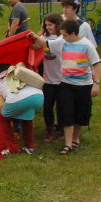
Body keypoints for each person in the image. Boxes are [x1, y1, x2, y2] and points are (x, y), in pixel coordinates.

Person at [33, 19, 101, 155]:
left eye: (65, 35)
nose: (62, 37)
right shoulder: (62, 42)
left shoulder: (87, 45)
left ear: (73, 33)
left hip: (83, 85)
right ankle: (68, 144)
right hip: (66, 84)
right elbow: (45, 43)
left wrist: (96, 84)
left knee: (81, 113)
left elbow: (97, 65)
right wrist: (33, 36)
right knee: (66, 112)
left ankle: (75, 139)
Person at [0, 63, 44, 156]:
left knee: (3, 120)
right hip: (38, 96)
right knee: (27, 118)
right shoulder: (17, 70)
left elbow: (0, 104)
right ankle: (29, 146)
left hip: (16, 99)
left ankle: (13, 148)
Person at [39, 13, 64, 141]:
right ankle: (50, 130)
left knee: (61, 106)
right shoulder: (43, 37)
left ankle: (61, 129)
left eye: (50, 24)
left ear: (57, 24)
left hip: (61, 78)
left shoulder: (62, 37)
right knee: (47, 106)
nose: (48, 27)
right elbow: (35, 45)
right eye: (46, 24)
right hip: (48, 78)